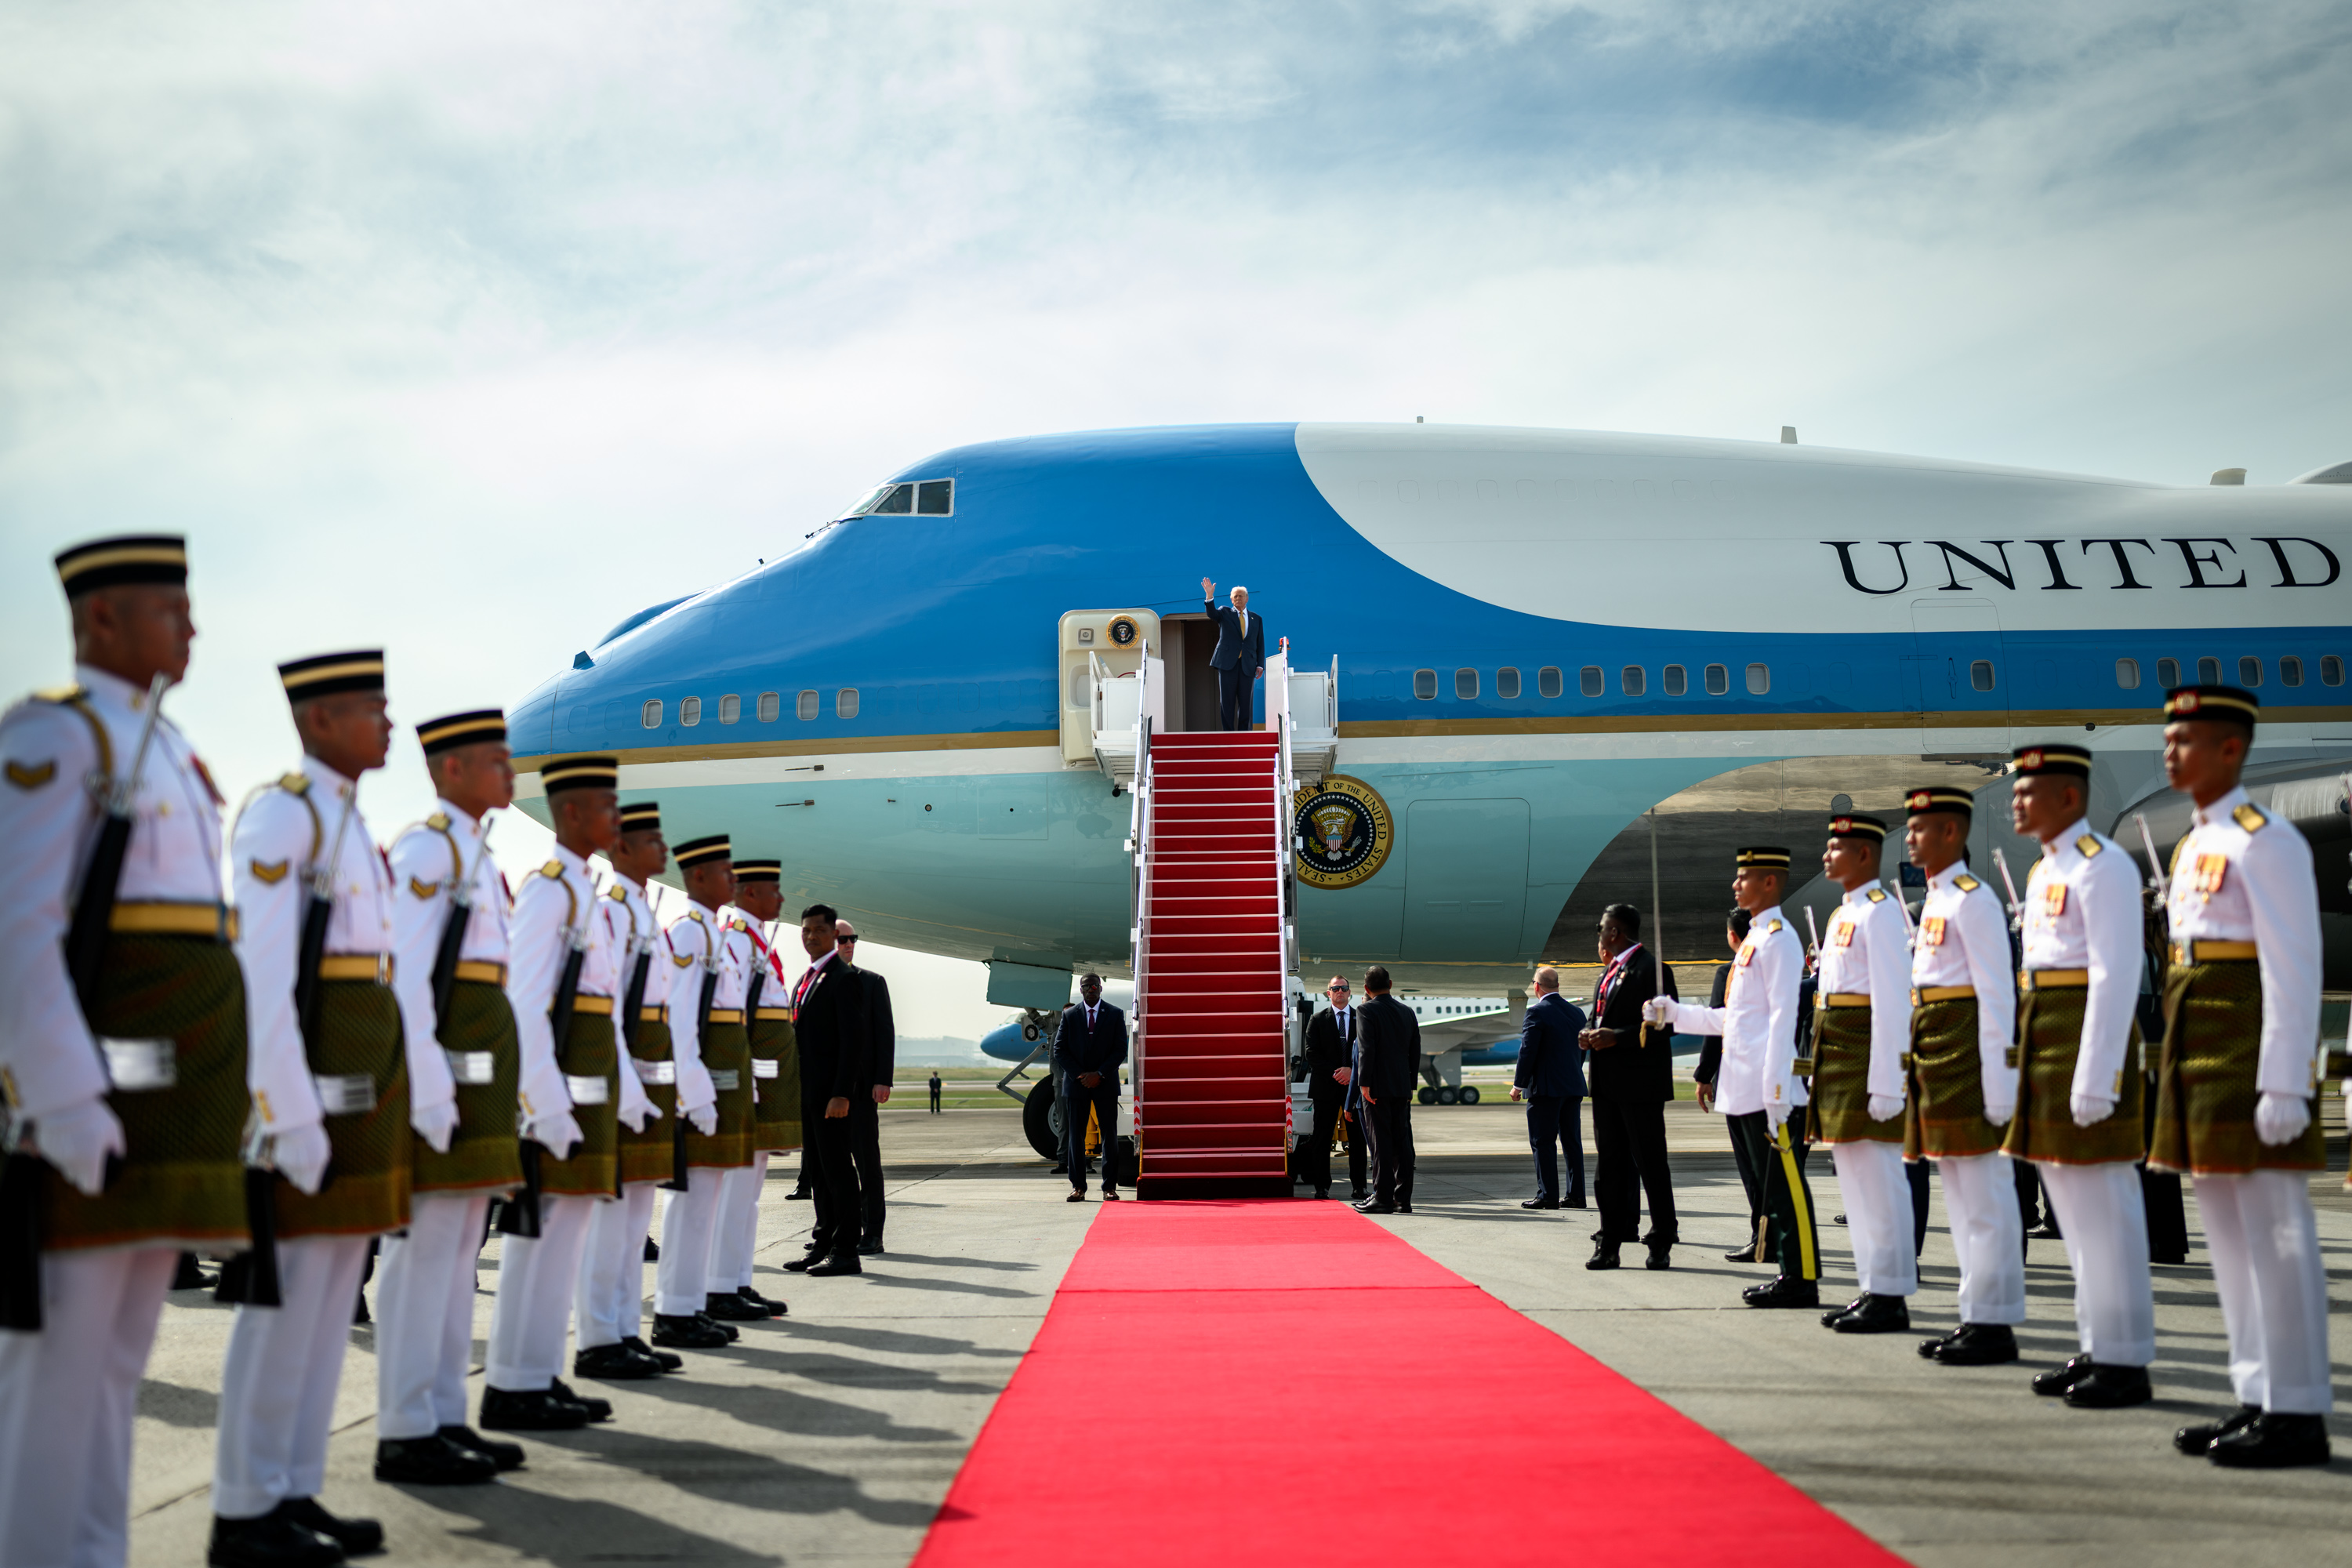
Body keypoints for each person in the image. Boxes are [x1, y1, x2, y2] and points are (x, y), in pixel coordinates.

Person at [0, 536, 252, 1568]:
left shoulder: (167, 747)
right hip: (88, 1104)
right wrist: (62, 1097)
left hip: (164, 1107)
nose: (191, 629)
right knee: (58, 1367)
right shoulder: (56, 738)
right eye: (168, 609)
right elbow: (16, 926)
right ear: (103, 619)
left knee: (117, 1363)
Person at [212, 652, 412, 1563]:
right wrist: (285, 1110)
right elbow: (264, 972)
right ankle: (243, 1508)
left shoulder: (349, 825)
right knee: (282, 1303)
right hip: (307, 1099)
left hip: (360, 1094)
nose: (389, 722)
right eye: (374, 708)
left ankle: (293, 1490)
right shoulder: (284, 812)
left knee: (332, 1303)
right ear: (322, 718)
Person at [2151, 686, 2332, 1468]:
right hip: (2200, 1040)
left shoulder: (2267, 840)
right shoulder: (2195, 842)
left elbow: (2296, 966)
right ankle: (2255, 1390)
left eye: (2186, 738)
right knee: (2226, 1231)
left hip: (2250, 1042)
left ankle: (2298, 1407)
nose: (2170, 751)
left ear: (2231, 748)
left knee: (2278, 1235)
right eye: (2168, 737)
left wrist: (2287, 1079)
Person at [375, 710, 525, 1485]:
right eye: (496, 759)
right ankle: (404, 1424)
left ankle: (442, 1417)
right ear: (451, 770)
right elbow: (408, 972)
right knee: (425, 1248)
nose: (510, 769)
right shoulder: (428, 847)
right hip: (442, 1074)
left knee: (460, 1247)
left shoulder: (477, 855)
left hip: (481, 1073)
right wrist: (426, 1079)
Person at [481, 754, 642, 1433]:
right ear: (571, 813)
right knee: (538, 1239)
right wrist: (543, 1102)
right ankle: (511, 1382)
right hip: (556, 1096)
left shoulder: (585, 894)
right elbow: (526, 1001)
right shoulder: (549, 890)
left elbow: (603, 1010)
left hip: (590, 1087)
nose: (616, 817)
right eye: (605, 805)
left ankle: (540, 1375)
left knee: (566, 1238)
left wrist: (625, 1087)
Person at [2004, 744, 2156, 1409]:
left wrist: (2098, 1074)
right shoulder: (2044, 871)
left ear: (2069, 797)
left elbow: (2114, 973)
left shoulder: (2105, 867)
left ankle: (2126, 1358)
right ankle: (2097, 1346)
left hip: (2085, 1046)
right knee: (2071, 1210)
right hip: (2047, 1037)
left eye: (2028, 790)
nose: (2015, 800)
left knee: (2108, 1210)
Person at [574, 800, 704, 1370]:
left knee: (633, 1218)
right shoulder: (610, 914)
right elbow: (607, 1012)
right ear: (622, 849)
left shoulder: (644, 914)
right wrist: (625, 1082)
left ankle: (624, 1331)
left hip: (651, 1078)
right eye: (652, 839)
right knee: (612, 1218)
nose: (663, 850)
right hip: (624, 1079)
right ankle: (599, 1338)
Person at [1649, 854, 1811, 1304]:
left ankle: (1802, 1279)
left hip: (1765, 1089)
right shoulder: (1755, 943)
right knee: (1768, 1190)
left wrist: (1778, 1087)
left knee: (1784, 1189)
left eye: (1745, 879)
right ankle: (1786, 1273)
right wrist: (1676, 1014)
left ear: (1770, 883)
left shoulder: (1778, 940)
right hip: (1742, 1090)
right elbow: (1733, 1020)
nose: (1736, 886)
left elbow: (1784, 1017)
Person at [1900, 785, 2025, 1367]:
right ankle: (1976, 1315)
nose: (1909, 838)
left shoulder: (1973, 901)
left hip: (1972, 1067)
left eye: (1920, 827)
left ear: (1952, 832)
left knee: (1985, 1201)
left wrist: (2000, 1086)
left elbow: (1997, 997)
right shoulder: (1939, 901)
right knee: (1961, 1198)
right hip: (1942, 1060)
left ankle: (1994, 1322)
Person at [1806, 814, 1916, 1334]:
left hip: (1866, 1057)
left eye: (1836, 848)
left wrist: (1887, 1081)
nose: (1826, 856)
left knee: (1881, 1179)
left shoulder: (1880, 913)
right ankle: (1872, 1285)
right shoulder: (1841, 914)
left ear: (1865, 856)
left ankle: (1891, 1292)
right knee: (1854, 1182)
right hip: (1839, 1054)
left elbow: (1893, 1002)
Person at [655, 836, 760, 1332]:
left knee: (708, 1199)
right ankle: (674, 1309)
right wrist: (692, 1087)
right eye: (725, 873)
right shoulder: (689, 933)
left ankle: (690, 1305)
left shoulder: (714, 935)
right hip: (701, 1087)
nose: (733, 882)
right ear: (698, 878)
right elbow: (680, 1018)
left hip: (721, 1083)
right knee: (693, 1198)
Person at [1584, 905, 1679, 1270]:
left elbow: (1664, 1025)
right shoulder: (1609, 973)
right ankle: (1610, 1240)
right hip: (1606, 1085)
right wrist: (1589, 1033)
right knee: (1608, 1164)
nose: (1599, 934)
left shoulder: (1651, 970)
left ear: (1615, 932)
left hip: (1641, 1085)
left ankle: (1661, 1237)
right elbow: (1600, 1016)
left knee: (1651, 1163)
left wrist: (1616, 1038)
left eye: (1601, 927)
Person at [790, 904, 871, 1276]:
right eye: (806, 930)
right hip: (808, 1096)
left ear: (833, 936)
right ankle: (822, 1241)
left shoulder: (842, 978)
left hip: (832, 1097)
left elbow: (854, 1042)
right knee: (819, 1173)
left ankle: (846, 1250)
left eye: (819, 931)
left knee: (839, 1171)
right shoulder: (806, 979)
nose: (811, 937)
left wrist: (842, 1093)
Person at [731, 861, 797, 1308]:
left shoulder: (758, 944)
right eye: (774, 890)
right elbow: (730, 1023)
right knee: (733, 1198)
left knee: (747, 1199)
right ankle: (721, 1287)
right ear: (750, 893)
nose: (782, 899)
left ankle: (735, 1283)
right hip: (745, 1088)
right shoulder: (736, 941)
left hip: (762, 1088)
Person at [1693, 908, 1759, 1254]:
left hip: (1741, 1081)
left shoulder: (1731, 970)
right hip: (1779, 1079)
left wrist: (1704, 1076)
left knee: (1751, 1164)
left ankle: (1762, 1237)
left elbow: (1716, 1026)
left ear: (1733, 936)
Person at [837, 920, 893, 1252]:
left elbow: (884, 1034)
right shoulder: (813, 983)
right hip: (826, 1091)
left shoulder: (871, 983)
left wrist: (882, 1079)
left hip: (860, 1091)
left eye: (852, 939)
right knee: (830, 1167)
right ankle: (834, 1229)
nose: (848, 944)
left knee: (867, 1162)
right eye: (842, 939)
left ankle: (873, 1231)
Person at [1510, 967, 1587, 1210]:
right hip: (1573, 1086)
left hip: (1545, 1090)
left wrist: (1518, 1085)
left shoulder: (1536, 1012)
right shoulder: (1577, 1013)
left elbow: (1528, 1052)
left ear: (1537, 986)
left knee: (1543, 1142)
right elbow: (1581, 1051)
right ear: (1557, 986)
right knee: (1572, 1142)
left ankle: (1548, 1195)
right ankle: (1575, 1196)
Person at [1054, 975, 1128, 1202]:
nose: (1091, 989)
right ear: (1082, 989)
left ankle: (1109, 1187)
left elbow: (1120, 1050)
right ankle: (1078, 1187)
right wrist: (1082, 1075)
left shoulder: (1115, 1014)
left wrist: (1100, 1074)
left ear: (1101, 988)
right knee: (1076, 1137)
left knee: (1109, 1136)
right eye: (1087, 986)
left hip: (1104, 1083)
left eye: (1095, 985)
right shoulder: (1069, 1015)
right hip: (1078, 1085)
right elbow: (1059, 1050)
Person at [1351, 967, 1418, 1214]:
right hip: (1401, 1086)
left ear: (1366, 989)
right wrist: (1410, 1085)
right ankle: (1403, 1199)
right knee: (1403, 1143)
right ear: (1390, 983)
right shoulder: (1407, 1012)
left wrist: (1364, 1083)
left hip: (1377, 1087)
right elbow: (1415, 1050)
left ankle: (1382, 1197)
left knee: (1381, 1143)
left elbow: (1366, 1049)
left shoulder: (1366, 1010)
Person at [1300, 977, 1368, 1200]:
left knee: (1358, 1139)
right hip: (1325, 1088)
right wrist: (1338, 1072)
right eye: (1335, 988)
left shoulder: (1362, 1018)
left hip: (1354, 1088)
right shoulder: (1317, 1020)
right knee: (1321, 1139)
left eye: (1344, 988)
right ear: (1328, 993)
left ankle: (1360, 1187)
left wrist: (1352, 1072)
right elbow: (1312, 1054)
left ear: (1350, 993)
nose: (1340, 991)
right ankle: (1322, 1187)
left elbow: (1368, 1050)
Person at [1200, 577, 1266, 732]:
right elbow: (1211, 614)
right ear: (1231, 599)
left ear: (1247, 598)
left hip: (1248, 665)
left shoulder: (1256, 619)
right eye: (1235, 596)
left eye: (1240, 595)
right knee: (1227, 701)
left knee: (1246, 702)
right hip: (1227, 664)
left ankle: (1245, 734)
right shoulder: (1224, 612)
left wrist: (1260, 664)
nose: (1238, 598)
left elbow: (1260, 643)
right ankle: (1228, 733)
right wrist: (1209, 596)